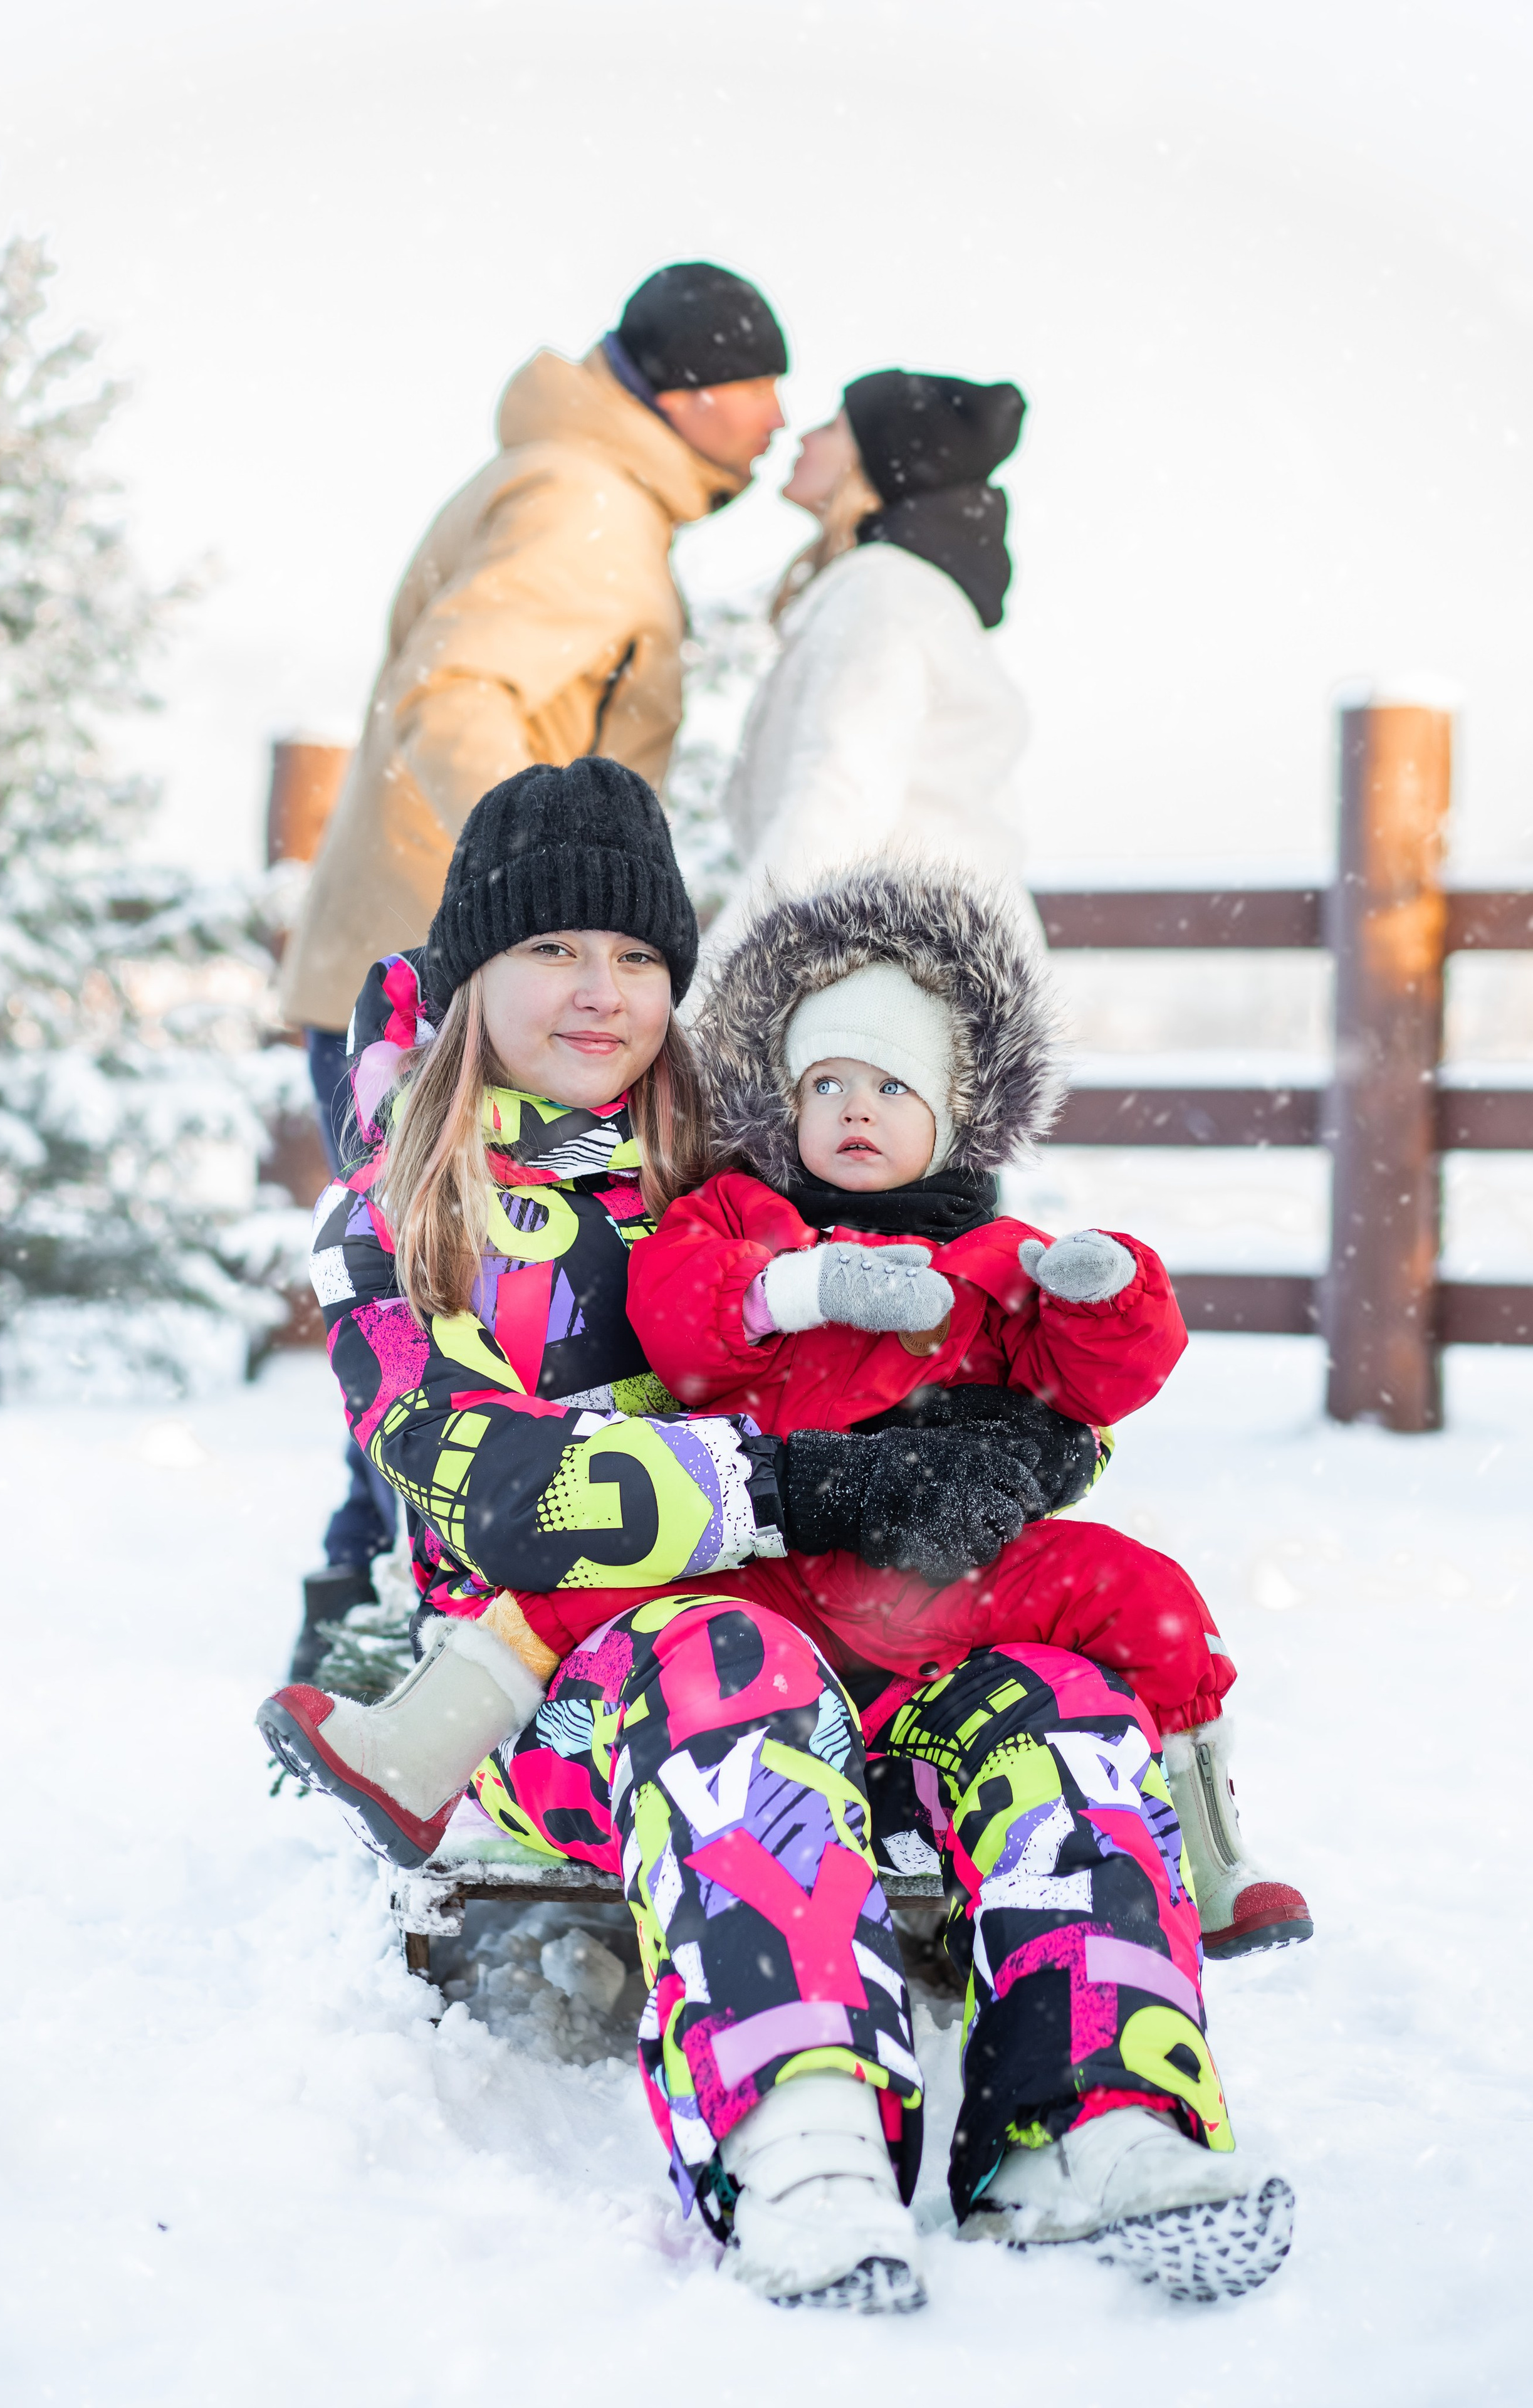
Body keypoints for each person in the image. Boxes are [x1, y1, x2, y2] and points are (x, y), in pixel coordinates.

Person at [259, 762, 1294, 2310]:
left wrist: (1015, 1446)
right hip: (569, 1693)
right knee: (723, 1655)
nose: (597, 990)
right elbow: (485, 1480)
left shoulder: (756, 1149)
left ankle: (1092, 2116)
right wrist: (803, 1487)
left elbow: (955, 1337)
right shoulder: (410, 1209)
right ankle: (798, 2138)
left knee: (1053, 1690)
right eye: (550, 949)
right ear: (474, 968)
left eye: (634, 956)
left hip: (867, 1641)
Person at [630, 860, 1313, 1958]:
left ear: (957, 1115)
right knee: (603, 1579)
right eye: (826, 1084)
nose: (857, 1107)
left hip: (946, 1578)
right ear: (780, 1098)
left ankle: (1212, 1857)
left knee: (1149, 1597)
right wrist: (795, 1287)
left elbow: (1087, 1389)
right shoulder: (741, 1213)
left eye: (894, 1088)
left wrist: (1108, 1295)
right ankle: (434, 1740)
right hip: (766, 1560)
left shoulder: (996, 1260)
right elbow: (673, 1314)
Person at [277, 263, 788, 1670]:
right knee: (442, 1310)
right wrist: (530, 908)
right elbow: (456, 698)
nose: (778, 415)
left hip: (478, 987)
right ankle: (381, 1634)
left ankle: (378, 1609)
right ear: (687, 393)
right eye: (759, 382)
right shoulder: (588, 505)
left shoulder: (572, 479)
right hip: (450, 1004)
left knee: (465, 1313)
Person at [704, 369, 1031, 967]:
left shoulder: (884, 598)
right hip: (919, 966)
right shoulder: (894, 591)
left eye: (832, 426)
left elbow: (837, 802)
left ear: (873, 468)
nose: (802, 436)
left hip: (904, 987)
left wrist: (718, 989)